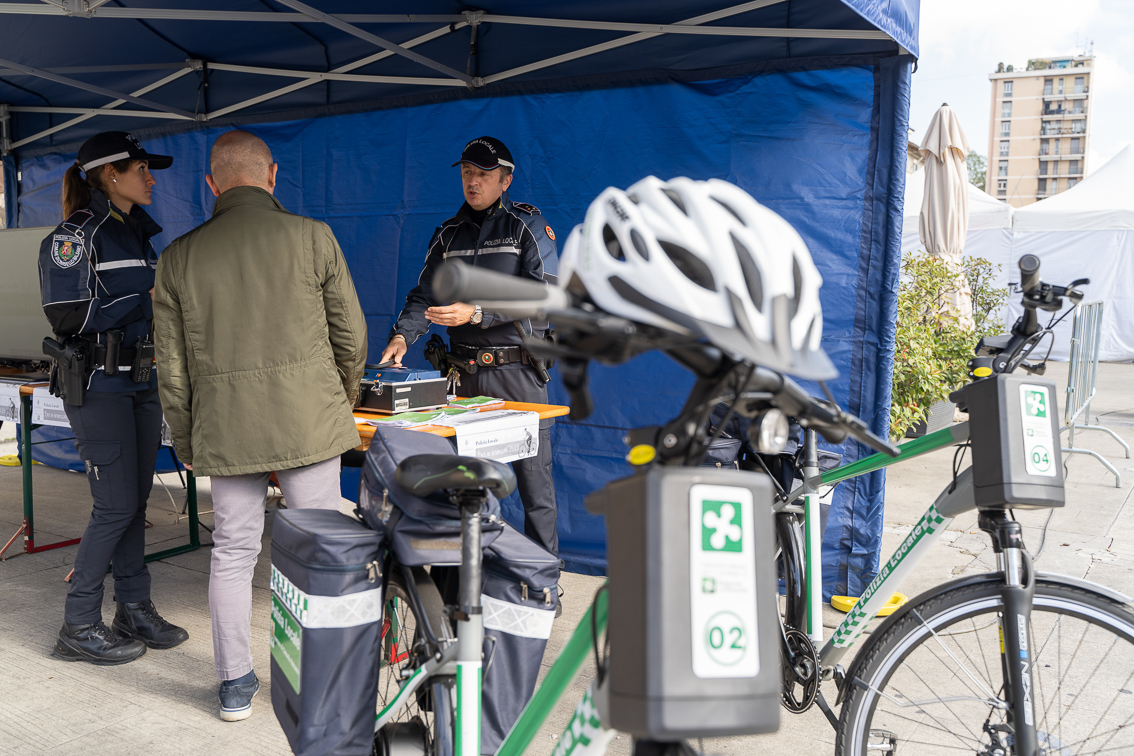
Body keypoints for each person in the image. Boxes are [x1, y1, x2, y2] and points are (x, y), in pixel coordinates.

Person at [153, 130, 367, 722]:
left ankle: (234, 685)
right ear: (272, 175)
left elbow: (170, 367)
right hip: (309, 417)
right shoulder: (312, 237)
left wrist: (188, 436)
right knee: (316, 548)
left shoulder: (178, 258)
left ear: (211, 184)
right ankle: (321, 678)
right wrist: (338, 399)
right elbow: (350, 333)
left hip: (225, 426)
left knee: (233, 551)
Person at [39, 131, 189, 666]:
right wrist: (141, 298)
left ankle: (133, 606)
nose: (151, 178)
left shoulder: (138, 235)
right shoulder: (74, 237)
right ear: (110, 175)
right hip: (99, 384)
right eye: (142, 169)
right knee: (116, 505)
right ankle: (77, 624)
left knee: (135, 502)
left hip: (141, 382)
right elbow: (67, 316)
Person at [380, 136, 561, 557]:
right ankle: (465, 574)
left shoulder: (526, 227)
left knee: (536, 485)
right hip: (461, 379)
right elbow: (424, 296)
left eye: (482, 174)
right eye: (466, 173)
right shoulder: (447, 234)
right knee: (464, 482)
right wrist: (402, 335)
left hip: (518, 376)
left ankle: (542, 581)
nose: (472, 182)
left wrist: (477, 312)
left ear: (505, 180)